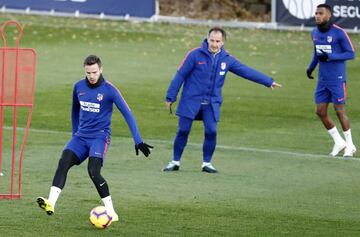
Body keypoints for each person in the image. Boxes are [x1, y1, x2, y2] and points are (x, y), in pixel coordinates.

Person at [36, 55, 153, 221]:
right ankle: (51, 203)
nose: (91, 76)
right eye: (88, 72)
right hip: (80, 137)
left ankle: (111, 212)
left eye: (94, 72)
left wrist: (138, 140)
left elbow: (128, 113)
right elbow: (74, 111)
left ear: (101, 70)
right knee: (64, 162)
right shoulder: (78, 87)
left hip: (99, 138)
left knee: (93, 171)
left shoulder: (110, 90)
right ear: (84, 70)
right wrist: (74, 134)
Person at [163, 27, 282, 173]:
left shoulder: (227, 59)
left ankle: (207, 163)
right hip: (190, 100)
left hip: (211, 103)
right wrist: (170, 96)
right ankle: (175, 161)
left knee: (211, 131)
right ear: (207, 39)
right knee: (183, 131)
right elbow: (180, 75)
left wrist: (268, 81)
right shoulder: (194, 55)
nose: (214, 44)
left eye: (217, 41)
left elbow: (246, 71)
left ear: (223, 42)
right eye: (211, 40)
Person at [306, 4, 356, 157]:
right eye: (316, 13)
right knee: (320, 111)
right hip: (322, 79)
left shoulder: (339, 33)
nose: (317, 16)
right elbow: (317, 53)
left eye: (320, 13)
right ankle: (338, 142)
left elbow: (351, 53)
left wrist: (332, 56)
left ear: (328, 15)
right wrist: (310, 68)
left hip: (337, 79)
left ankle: (350, 145)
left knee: (339, 111)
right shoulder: (314, 33)